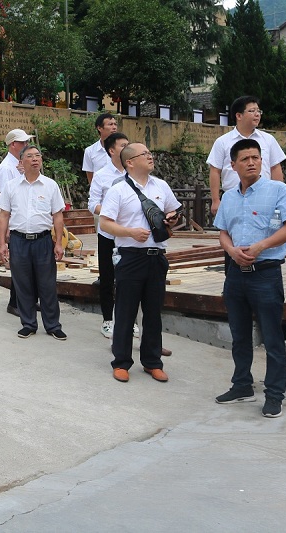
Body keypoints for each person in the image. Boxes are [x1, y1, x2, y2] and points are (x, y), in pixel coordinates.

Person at [214, 139, 286, 418]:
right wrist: (231, 252)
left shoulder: (277, 190)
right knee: (239, 335)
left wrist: (261, 246)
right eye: (245, 159)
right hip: (235, 275)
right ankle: (242, 385)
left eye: (256, 157)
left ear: (262, 161)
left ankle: (274, 395)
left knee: (272, 338)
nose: (251, 162)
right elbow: (223, 232)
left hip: (266, 274)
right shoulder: (229, 197)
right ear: (233, 165)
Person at [100, 143, 181, 384]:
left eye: (149, 153)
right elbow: (105, 223)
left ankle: (152, 362)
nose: (150, 156)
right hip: (130, 256)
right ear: (130, 162)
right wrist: (130, 232)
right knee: (126, 312)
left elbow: (174, 213)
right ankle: (121, 362)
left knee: (153, 312)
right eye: (144, 154)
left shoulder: (161, 186)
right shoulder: (118, 190)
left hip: (157, 257)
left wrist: (172, 219)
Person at [0, 146, 67, 340]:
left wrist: (58, 243)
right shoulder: (11, 186)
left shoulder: (50, 185)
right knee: (23, 284)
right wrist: (2, 244)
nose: (35, 159)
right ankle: (28, 324)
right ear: (21, 162)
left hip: (43, 241)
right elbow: (3, 215)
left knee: (47, 285)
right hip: (18, 241)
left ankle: (53, 325)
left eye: (38, 156)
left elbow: (57, 215)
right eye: (30, 156)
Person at [208, 95, 286, 216]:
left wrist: (279, 197)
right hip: (233, 198)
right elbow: (215, 170)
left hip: (264, 199)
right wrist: (215, 200)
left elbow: (275, 168)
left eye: (258, 111)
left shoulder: (268, 139)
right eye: (252, 111)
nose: (257, 114)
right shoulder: (223, 141)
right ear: (239, 116)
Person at [88, 132, 130, 338]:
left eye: (128, 145)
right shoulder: (102, 175)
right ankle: (107, 320)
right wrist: (111, 212)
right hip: (107, 234)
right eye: (123, 145)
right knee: (107, 277)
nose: (127, 148)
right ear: (111, 150)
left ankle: (129, 321)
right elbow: (92, 204)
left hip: (129, 235)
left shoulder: (134, 173)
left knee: (129, 279)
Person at [0, 128, 33, 317]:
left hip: (28, 220)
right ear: (13, 145)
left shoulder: (20, 165)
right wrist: (8, 228)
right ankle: (15, 302)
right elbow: (6, 202)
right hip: (16, 223)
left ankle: (28, 301)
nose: (26, 145)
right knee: (19, 266)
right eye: (23, 142)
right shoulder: (6, 169)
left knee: (30, 265)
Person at [82, 113, 118, 184]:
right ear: (99, 128)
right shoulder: (90, 151)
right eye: (110, 124)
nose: (114, 127)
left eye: (115, 124)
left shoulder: (123, 149)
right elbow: (90, 176)